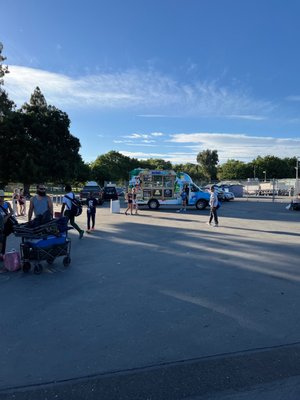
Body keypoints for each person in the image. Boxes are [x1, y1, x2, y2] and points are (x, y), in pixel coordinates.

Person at [0, 190, 14, 261]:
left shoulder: (7, 204)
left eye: (2, 197)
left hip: (5, 225)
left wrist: (7, 216)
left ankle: (2, 254)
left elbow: (12, 212)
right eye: (0, 197)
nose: (1, 198)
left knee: (3, 239)